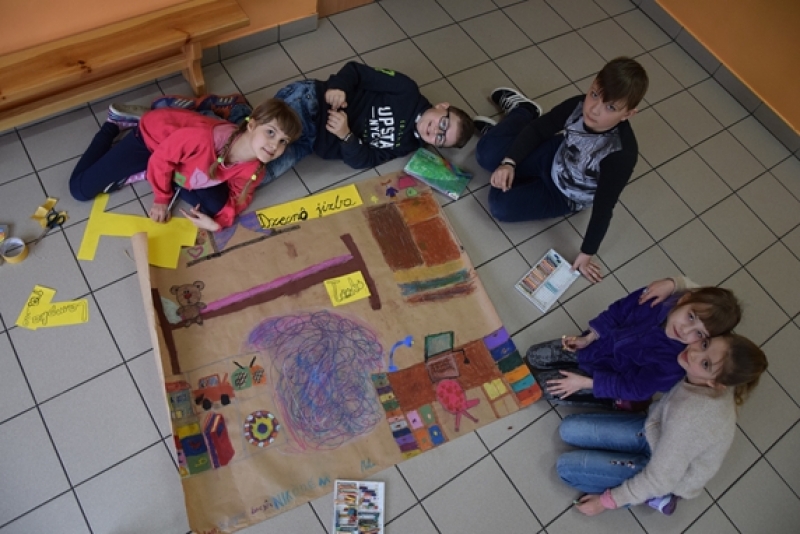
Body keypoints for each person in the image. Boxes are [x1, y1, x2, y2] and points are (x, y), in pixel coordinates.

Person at [474, 57, 648, 283]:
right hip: (553, 156)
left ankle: (503, 138)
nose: (594, 109)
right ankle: (524, 110)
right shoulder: (578, 105)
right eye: (595, 94)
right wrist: (508, 162)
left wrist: (586, 254)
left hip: (565, 195)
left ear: (628, 114)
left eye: (610, 107)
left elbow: (604, 208)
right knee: (486, 154)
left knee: (500, 207)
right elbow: (539, 129)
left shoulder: (620, 154)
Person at [557, 332, 768, 517]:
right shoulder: (712, 374)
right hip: (659, 433)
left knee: (566, 468)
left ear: (716, 383)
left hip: (671, 475)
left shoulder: (691, 419)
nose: (694, 353)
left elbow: (660, 478)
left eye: (705, 363)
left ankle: (660, 498)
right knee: (569, 429)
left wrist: (606, 502)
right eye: (705, 344)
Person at [156, 62, 475, 180]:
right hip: (311, 103)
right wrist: (338, 88)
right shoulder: (407, 90)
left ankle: (235, 110)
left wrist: (347, 135)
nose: (435, 131)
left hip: (310, 142)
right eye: (443, 124)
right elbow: (356, 71)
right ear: (442, 107)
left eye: (441, 138)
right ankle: (198, 115)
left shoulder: (407, 145)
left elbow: (362, 161)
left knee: (258, 175)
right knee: (244, 146)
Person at [69, 98, 302, 232]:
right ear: (251, 126)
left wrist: (217, 224)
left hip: (186, 161)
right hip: (152, 139)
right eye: (270, 133)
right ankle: (116, 123)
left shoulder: (255, 168)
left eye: (283, 141)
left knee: (212, 209)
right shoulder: (201, 140)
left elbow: (239, 199)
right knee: (79, 190)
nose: (275, 145)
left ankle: (167, 175)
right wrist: (161, 199)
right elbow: (161, 159)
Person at [526, 277, 741, 408]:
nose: (685, 331)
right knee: (534, 354)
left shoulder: (674, 362)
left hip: (604, 378)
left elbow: (636, 388)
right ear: (683, 300)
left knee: (538, 388)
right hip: (593, 348)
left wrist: (584, 383)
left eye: (699, 334)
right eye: (690, 317)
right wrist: (588, 337)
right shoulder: (653, 299)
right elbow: (617, 312)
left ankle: (604, 400)